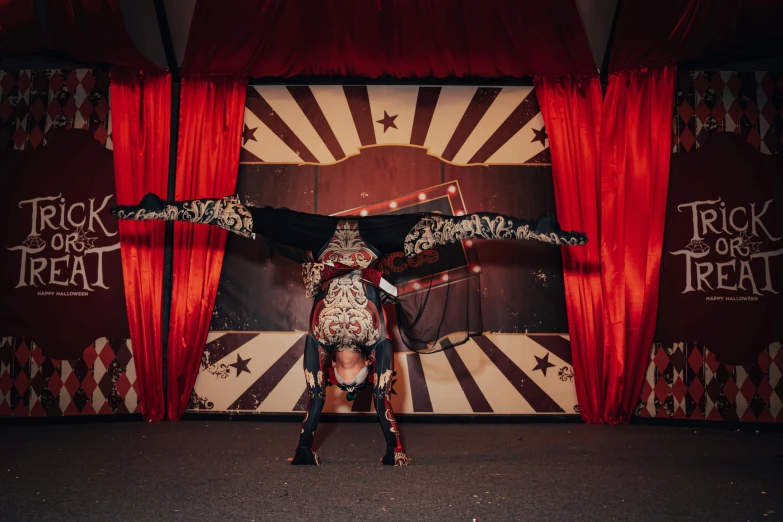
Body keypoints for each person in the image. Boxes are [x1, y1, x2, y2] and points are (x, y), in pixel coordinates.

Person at [111, 192, 587, 466]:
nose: (351, 374)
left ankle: (160, 207)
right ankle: (538, 228)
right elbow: (383, 401)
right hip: (375, 240)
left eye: (347, 377)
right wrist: (392, 450)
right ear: (362, 368)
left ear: (339, 374)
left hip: (319, 238)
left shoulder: (319, 342)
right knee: (447, 228)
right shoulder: (377, 341)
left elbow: (314, 400)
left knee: (245, 220)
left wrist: (303, 449)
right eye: (357, 375)